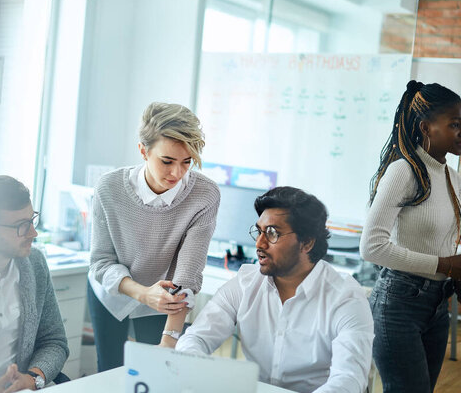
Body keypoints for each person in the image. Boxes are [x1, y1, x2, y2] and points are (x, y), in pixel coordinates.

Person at [176, 186, 374, 393]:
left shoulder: (345, 297)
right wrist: (198, 371)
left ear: (306, 243)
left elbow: (348, 380)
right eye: (259, 231)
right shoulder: (246, 282)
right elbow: (196, 338)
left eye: (272, 233)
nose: (259, 243)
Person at [88, 102, 220, 371]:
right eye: (167, 161)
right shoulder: (109, 187)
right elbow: (101, 262)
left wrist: (170, 340)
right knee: (111, 371)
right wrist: (143, 293)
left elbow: (187, 274)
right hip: (114, 291)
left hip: (166, 298)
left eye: (187, 162)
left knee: (159, 372)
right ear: (143, 151)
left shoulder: (204, 195)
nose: (177, 173)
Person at [360, 80, 461, 393]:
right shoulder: (403, 172)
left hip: (437, 305)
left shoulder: (453, 177)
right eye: (456, 124)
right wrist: (444, 264)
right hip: (398, 304)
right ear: (426, 127)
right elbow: (372, 247)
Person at [0, 175, 69, 392]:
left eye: (32, 220)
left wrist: (32, 379)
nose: (33, 233)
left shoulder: (35, 263)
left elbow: (54, 341)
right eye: (21, 225)